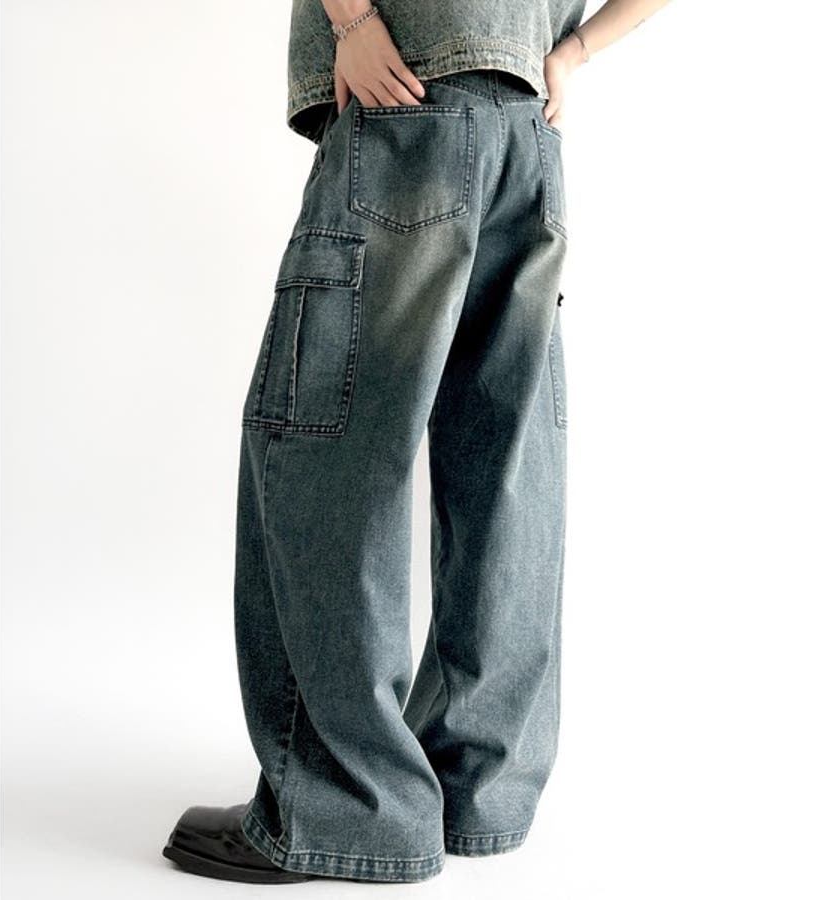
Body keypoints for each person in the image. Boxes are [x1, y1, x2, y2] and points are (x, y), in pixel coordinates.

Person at [163, 0, 671, 885]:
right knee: (504, 469)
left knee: (329, 452)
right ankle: (474, 790)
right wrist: (573, 51)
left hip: (407, 106)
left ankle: (344, 809)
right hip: (528, 135)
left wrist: (353, 20)